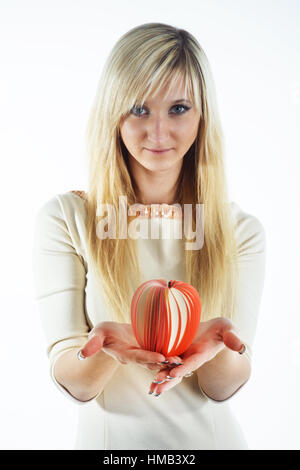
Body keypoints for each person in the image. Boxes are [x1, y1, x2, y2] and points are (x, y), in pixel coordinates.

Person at [32, 22, 266, 450]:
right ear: (113, 113)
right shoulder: (68, 219)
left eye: (178, 108)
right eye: (139, 108)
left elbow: (224, 388)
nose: (158, 133)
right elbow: (74, 383)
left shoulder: (239, 232)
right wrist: (105, 347)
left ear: (202, 116)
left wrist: (215, 347)